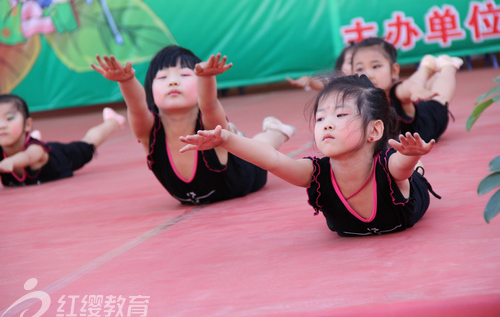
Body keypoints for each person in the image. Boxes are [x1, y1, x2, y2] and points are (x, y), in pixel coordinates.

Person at [180, 74, 441, 237]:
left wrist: (411, 157)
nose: (326, 124)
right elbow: (271, 159)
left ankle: (419, 172)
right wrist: (226, 138)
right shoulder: (314, 173)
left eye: (340, 116)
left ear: (374, 130)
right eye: (320, 118)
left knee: (407, 172)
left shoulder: (389, 167)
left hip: (405, 185)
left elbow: (399, 166)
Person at [91, 45, 295, 205]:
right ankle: (236, 134)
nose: (173, 82)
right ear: (150, 89)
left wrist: (206, 78)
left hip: (242, 178)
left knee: (262, 148)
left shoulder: (208, 121)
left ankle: (276, 131)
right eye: (162, 77)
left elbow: (209, 104)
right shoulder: (148, 130)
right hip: (201, 184)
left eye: (185, 75)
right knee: (231, 135)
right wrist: (126, 81)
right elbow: (136, 107)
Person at [351, 37, 462, 142]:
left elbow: (407, 88)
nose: (368, 74)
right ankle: (426, 67)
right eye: (360, 68)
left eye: (376, 66)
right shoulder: (356, 101)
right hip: (415, 104)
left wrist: (415, 91)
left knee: (440, 97)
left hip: (430, 120)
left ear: (394, 71)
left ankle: (449, 66)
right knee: (418, 84)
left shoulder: (396, 92)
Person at [0, 94, 125, 186]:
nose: (1, 125)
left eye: (9, 118)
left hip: (62, 156)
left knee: (87, 143)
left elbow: (27, 157)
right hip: (35, 150)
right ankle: (32, 138)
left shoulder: (34, 150)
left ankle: (112, 122)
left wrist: (10, 162)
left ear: (27, 124)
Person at [286, 42, 356, 91]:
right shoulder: (340, 83)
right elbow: (323, 83)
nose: (354, 66)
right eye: (350, 62)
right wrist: (309, 80)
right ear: (340, 66)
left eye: (360, 65)